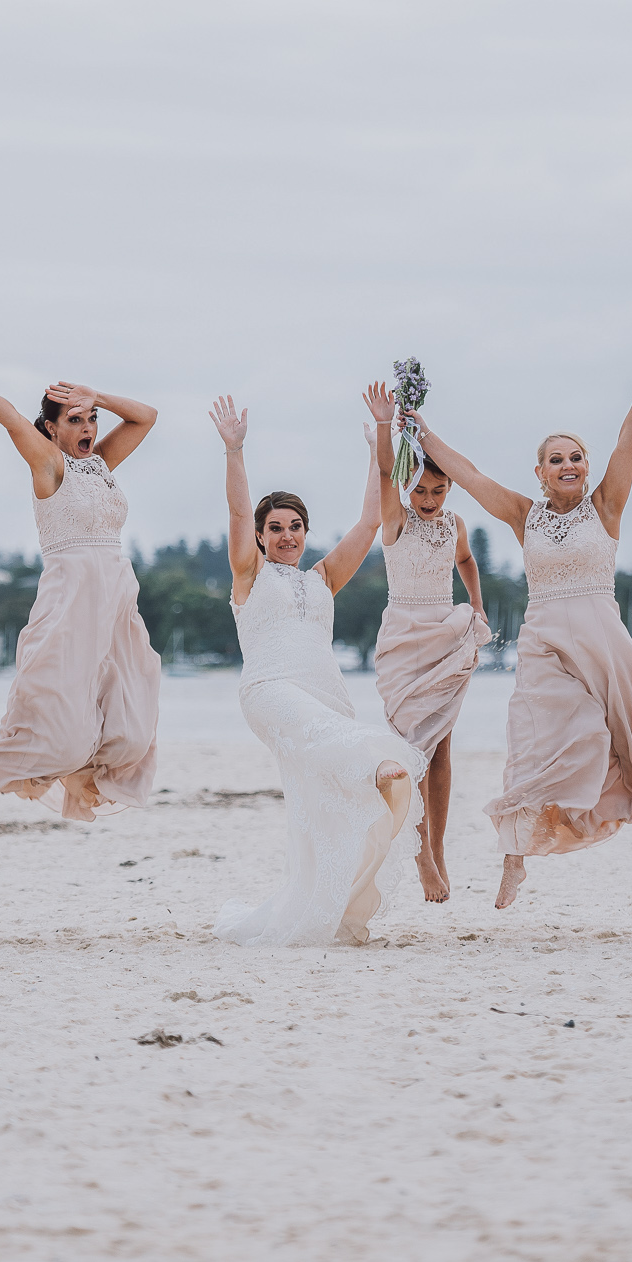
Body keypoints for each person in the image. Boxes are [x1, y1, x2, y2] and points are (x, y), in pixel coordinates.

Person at [412, 341, 632, 911]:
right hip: (544, 638)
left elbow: (628, 444)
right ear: (540, 474)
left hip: (601, 631)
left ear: (585, 468)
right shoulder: (524, 514)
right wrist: (417, 427)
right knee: (534, 740)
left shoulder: (606, 506)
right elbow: (466, 473)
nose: (569, 466)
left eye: (576, 458)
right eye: (557, 460)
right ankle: (515, 858)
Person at [209, 387, 425, 947]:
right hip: (271, 691)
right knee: (358, 754)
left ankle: (323, 908)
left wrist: (380, 442)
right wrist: (235, 451)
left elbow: (372, 519)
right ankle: (377, 768)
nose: (287, 536)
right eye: (276, 527)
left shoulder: (323, 578)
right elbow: (236, 510)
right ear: (260, 536)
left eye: (295, 526)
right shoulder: (248, 576)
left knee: (322, 812)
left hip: (325, 693)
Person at [0, 364, 162, 819]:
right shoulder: (50, 466)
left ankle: (75, 771)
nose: (88, 427)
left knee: (130, 733)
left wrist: (99, 396)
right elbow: (13, 419)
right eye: (75, 419)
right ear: (52, 429)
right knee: (64, 735)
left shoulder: (101, 464)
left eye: (91, 418)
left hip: (115, 602)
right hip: (70, 605)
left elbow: (146, 417)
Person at [370, 423, 489, 903]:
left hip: (444, 636)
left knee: (441, 748)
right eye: (420, 489)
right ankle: (418, 850)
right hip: (404, 639)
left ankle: (436, 847)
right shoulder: (395, 521)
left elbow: (467, 562)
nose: (430, 499)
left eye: (439, 490)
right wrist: (386, 424)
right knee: (410, 749)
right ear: (406, 485)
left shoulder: (454, 524)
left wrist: (477, 607)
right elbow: (383, 470)